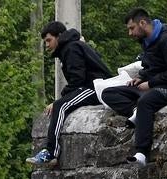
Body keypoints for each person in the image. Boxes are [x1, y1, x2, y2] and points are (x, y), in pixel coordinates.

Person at [101, 8, 167, 167]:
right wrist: (141, 77)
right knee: (108, 93)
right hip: (155, 84)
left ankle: (141, 153)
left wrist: (151, 83)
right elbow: (152, 66)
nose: (130, 33)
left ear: (142, 23)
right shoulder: (147, 41)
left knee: (146, 102)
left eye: (132, 28)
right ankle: (135, 111)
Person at [26, 22, 112, 166]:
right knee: (61, 104)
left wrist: (60, 99)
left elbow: (77, 79)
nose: (46, 45)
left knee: (60, 106)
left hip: (96, 88)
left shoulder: (71, 48)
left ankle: (51, 151)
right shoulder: (72, 46)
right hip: (92, 85)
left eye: (49, 40)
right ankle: (50, 151)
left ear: (59, 37)